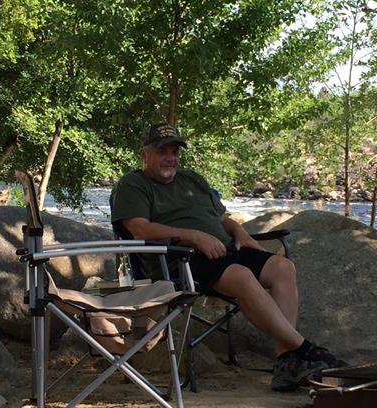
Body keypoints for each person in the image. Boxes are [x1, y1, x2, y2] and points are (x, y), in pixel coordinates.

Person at [111, 122, 345, 391]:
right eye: (162, 151)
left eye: (174, 152)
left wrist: (241, 233)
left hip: (224, 251)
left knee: (283, 267)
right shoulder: (133, 184)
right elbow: (139, 229)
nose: (170, 158)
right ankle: (306, 349)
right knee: (241, 276)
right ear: (144, 154)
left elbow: (221, 219)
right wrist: (193, 236)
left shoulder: (192, 180)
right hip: (179, 260)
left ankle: (285, 361)